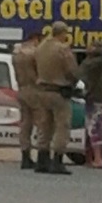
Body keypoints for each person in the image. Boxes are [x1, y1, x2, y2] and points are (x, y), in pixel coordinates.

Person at [34, 21, 80, 175]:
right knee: (62, 126)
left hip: (42, 90)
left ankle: (42, 159)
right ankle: (58, 160)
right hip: (59, 92)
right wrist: (73, 83)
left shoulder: (40, 48)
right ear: (62, 33)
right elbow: (72, 71)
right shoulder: (62, 49)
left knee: (44, 125)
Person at [78, 40, 102, 169]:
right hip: (96, 97)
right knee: (96, 127)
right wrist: (100, 50)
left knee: (90, 127)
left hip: (89, 97)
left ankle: (89, 157)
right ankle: (98, 158)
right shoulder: (95, 63)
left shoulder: (86, 63)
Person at [11, 31, 42, 170]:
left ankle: (25, 156)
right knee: (42, 124)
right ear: (35, 39)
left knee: (25, 124)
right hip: (35, 90)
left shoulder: (17, 54)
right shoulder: (35, 54)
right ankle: (43, 156)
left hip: (22, 89)